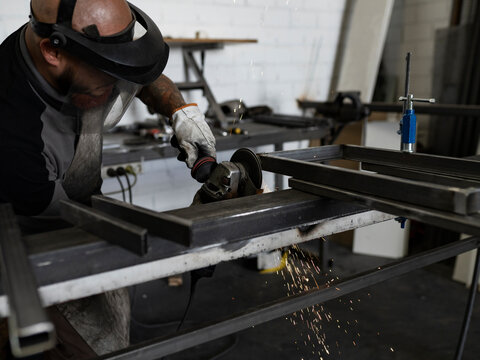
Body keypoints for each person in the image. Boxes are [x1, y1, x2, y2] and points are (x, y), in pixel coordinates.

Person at [0, 0, 217, 358]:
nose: (118, 85)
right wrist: (192, 236)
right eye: (107, 76)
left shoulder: (71, 52)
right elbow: (75, 235)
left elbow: (142, 74)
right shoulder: (13, 136)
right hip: (37, 252)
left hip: (75, 212)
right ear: (53, 51)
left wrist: (180, 110)